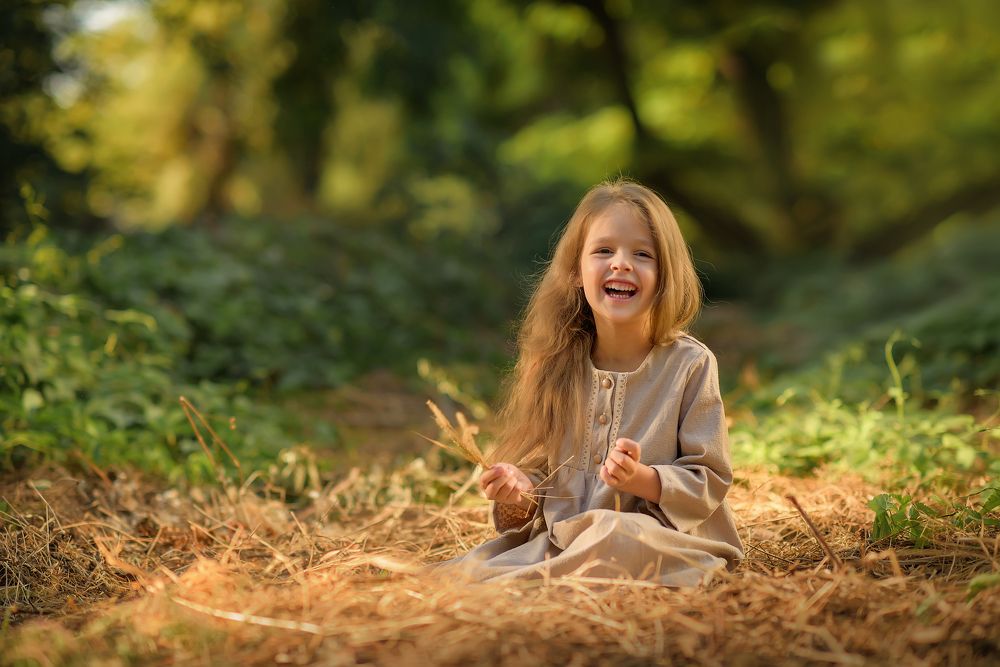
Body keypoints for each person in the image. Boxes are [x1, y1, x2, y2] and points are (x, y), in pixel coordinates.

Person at [440, 178, 743, 586]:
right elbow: (537, 485)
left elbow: (710, 478)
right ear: (575, 273)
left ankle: (541, 581)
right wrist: (517, 488)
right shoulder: (554, 363)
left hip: (664, 543)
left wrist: (641, 479)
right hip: (563, 543)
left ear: (665, 275)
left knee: (612, 533)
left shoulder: (690, 365)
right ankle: (546, 577)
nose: (621, 263)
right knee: (473, 568)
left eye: (642, 253)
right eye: (603, 251)